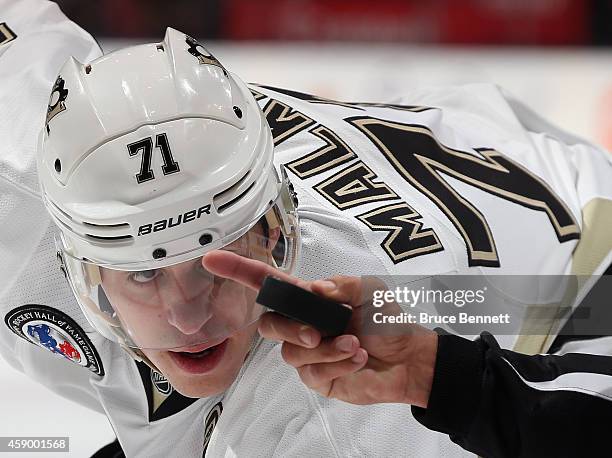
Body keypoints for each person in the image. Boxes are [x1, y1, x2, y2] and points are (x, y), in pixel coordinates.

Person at [1, 0, 610, 457]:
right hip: (467, 158)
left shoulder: (329, 413)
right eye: (144, 271)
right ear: (80, 267)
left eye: (214, 264)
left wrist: (452, 379)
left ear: (276, 234)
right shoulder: (18, 169)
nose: (188, 318)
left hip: (583, 278)